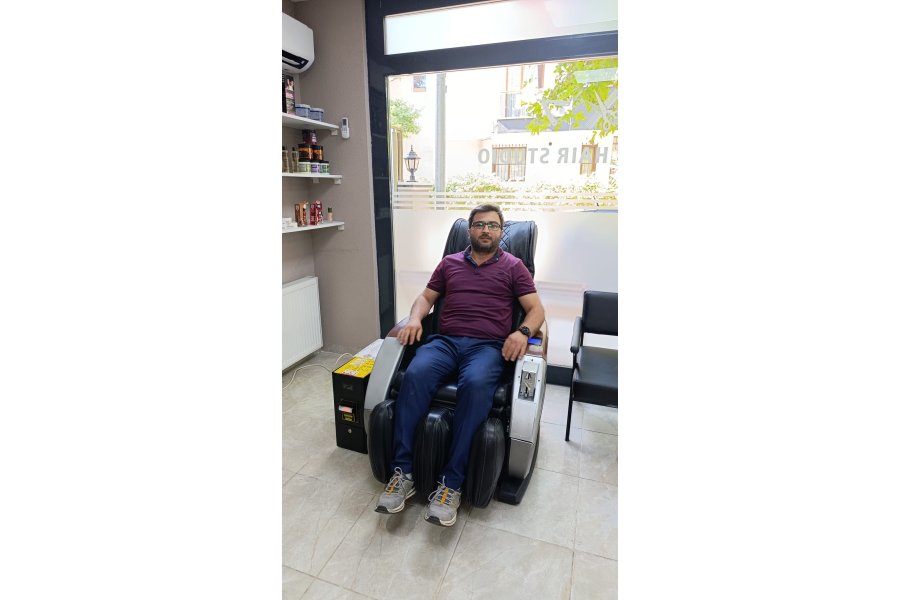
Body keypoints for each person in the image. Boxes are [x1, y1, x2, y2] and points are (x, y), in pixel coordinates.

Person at [374, 204, 545, 527]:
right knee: (415, 374)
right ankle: (403, 472)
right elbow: (426, 298)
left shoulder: (514, 267)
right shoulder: (449, 263)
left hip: (487, 347)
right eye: (479, 225)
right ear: (469, 230)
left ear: (501, 232)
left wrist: (522, 333)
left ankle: (451, 484)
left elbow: (536, 310)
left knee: (476, 385)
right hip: (445, 342)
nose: (485, 230)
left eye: (492, 226)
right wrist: (414, 319)